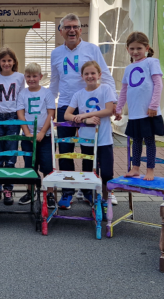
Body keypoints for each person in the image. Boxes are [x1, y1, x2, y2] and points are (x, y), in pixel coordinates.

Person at [49, 13, 117, 209]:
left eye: (75, 27)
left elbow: (106, 77)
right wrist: (49, 109)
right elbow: (54, 82)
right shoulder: (56, 53)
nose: (72, 30)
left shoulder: (91, 49)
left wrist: (115, 104)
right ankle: (67, 192)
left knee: (89, 150)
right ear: (61, 31)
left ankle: (88, 191)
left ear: (80, 29)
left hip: (90, 106)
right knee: (66, 151)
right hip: (65, 106)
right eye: (67, 27)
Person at [64, 61, 116, 219]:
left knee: (106, 172)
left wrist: (85, 115)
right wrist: (84, 121)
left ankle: (106, 197)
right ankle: (89, 196)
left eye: (93, 73)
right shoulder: (78, 94)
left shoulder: (105, 89)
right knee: (89, 171)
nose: (90, 76)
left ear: (99, 75)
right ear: (82, 76)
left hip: (104, 138)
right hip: (87, 139)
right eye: (86, 74)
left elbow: (109, 110)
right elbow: (67, 115)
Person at [115, 32, 164, 181]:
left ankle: (150, 170)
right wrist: (119, 108)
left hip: (149, 111)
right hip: (135, 112)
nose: (135, 52)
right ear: (127, 49)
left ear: (147, 48)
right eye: (132, 48)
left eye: (139, 48)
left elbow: (158, 84)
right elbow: (124, 90)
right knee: (135, 140)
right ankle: (135, 168)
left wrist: (154, 105)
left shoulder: (151, 62)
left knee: (149, 141)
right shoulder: (129, 68)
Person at [0, 46, 25, 205]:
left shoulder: (20, 77)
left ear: (14, 62)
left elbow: (23, 98)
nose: (6, 63)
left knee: (10, 155)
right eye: (3, 60)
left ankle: (8, 189)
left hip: (13, 118)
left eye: (9, 60)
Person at [17, 62, 56, 206]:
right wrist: (27, 133)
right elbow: (20, 113)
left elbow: (51, 113)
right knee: (29, 166)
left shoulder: (46, 93)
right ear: (25, 77)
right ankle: (30, 191)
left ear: (40, 77)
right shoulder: (22, 93)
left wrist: (43, 131)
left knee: (47, 166)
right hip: (28, 137)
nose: (31, 79)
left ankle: (50, 193)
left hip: (45, 137)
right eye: (28, 76)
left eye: (34, 76)